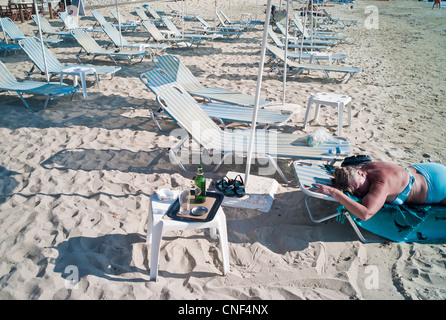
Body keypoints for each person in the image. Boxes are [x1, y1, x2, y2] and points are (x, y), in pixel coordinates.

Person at [313, 161, 446, 221]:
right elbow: (346, 173)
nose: (358, 194)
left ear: (362, 174)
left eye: (358, 188)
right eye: (354, 191)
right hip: (426, 169)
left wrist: (334, 193)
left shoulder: (381, 184)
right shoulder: (364, 167)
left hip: (437, 187)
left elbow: (365, 214)